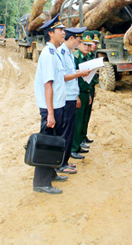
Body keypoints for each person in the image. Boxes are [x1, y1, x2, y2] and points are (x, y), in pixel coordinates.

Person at [32, 15, 68, 194]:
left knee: (54, 141)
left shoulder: (55, 53)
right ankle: (41, 182)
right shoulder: (48, 55)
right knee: (47, 143)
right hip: (50, 108)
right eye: (60, 30)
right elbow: (48, 85)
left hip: (57, 105)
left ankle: (51, 173)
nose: (64, 32)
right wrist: (51, 114)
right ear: (51, 33)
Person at [58, 26, 91, 173]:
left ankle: (65, 161)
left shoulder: (69, 53)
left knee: (69, 131)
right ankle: (61, 163)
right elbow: (63, 77)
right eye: (78, 41)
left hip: (71, 96)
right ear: (71, 38)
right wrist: (79, 74)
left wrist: (79, 72)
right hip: (66, 97)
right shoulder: (62, 53)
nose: (78, 44)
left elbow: (70, 72)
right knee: (64, 132)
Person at [70, 31, 95, 159]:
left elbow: (88, 80)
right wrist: (77, 96)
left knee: (83, 120)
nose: (87, 47)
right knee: (77, 122)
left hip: (85, 92)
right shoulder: (75, 57)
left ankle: (78, 145)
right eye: (84, 44)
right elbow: (74, 79)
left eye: (88, 45)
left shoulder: (86, 57)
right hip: (78, 94)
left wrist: (89, 93)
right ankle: (73, 148)